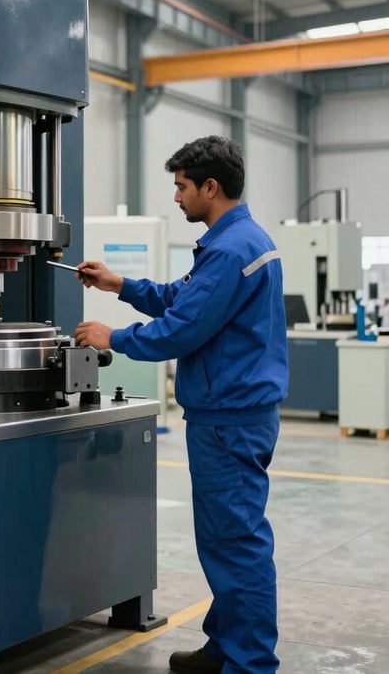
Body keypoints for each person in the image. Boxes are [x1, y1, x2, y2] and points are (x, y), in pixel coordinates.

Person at [74, 136, 288, 674]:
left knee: (236, 544)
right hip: (233, 413)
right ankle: (226, 647)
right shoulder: (236, 241)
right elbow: (183, 298)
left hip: (228, 419)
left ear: (210, 187)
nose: (175, 196)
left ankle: (250, 664)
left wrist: (112, 338)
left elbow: (180, 330)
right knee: (225, 541)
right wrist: (119, 284)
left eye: (181, 186)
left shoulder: (231, 249)